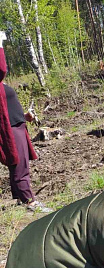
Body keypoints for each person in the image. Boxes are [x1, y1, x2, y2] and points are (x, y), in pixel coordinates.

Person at [0, 32, 51, 212]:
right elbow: (1, 68)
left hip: (18, 126)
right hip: (11, 131)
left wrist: (24, 116)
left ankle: (21, 199)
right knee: (20, 165)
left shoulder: (2, 85)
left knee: (19, 164)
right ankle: (30, 202)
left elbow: (6, 109)